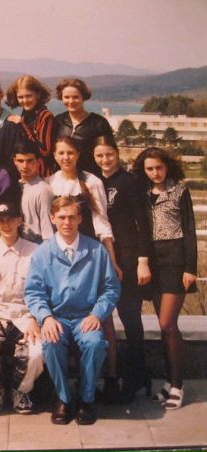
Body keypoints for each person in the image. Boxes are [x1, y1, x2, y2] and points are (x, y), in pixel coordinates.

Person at [24, 196, 121, 425]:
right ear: (52, 218)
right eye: (61, 217)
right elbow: (33, 292)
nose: (66, 222)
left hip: (85, 317)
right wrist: (46, 317)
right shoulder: (42, 253)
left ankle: (86, 399)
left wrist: (97, 314)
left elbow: (111, 288)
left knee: (95, 343)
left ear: (80, 219)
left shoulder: (96, 250)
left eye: (71, 217)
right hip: (56, 317)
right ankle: (64, 398)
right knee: (51, 343)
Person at [49, 135, 122, 402]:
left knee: (103, 317)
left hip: (91, 252)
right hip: (62, 252)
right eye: (61, 153)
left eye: (70, 152)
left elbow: (102, 222)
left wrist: (111, 258)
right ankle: (65, 386)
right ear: (55, 156)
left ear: (78, 154)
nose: (65, 157)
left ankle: (110, 377)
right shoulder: (50, 182)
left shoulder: (92, 181)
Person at [131, 147, 197, 410]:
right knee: (164, 327)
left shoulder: (179, 191)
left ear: (167, 166)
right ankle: (169, 382)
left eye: (159, 167)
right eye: (149, 169)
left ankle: (178, 385)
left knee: (167, 323)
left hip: (175, 260)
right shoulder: (143, 193)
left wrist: (190, 267)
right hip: (152, 261)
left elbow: (190, 230)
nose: (155, 173)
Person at [93, 136, 152, 403]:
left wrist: (142, 260)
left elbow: (143, 223)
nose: (105, 160)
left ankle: (138, 375)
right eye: (99, 155)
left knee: (130, 317)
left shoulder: (129, 182)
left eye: (109, 154)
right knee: (104, 318)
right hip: (103, 256)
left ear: (117, 154)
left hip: (128, 256)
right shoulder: (94, 181)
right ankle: (110, 377)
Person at [0, 201, 43, 414]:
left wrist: (35, 319)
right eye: (1, 221)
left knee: (37, 352)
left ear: (20, 220)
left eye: (11, 219)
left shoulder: (35, 251)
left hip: (25, 313)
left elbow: (41, 291)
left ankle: (21, 391)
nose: (6, 225)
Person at [55, 78, 115, 176]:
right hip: (62, 178)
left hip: (90, 178)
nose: (71, 101)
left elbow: (109, 153)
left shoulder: (98, 123)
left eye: (76, 97)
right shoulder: (58, 121)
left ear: (83, 97)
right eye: (66, 97)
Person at [5, 75, 56, 177]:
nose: (25, 100)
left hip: (42, 175)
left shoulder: (45, 116)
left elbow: (44, 151)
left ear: (38, 95)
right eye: (20, 97)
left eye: (28, 96)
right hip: (26, 172)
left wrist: (22, 125)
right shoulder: (25, 115)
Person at [12, 144, 54, 244]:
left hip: (36, 245)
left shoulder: (43, 190)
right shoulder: (13, 187)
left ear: (38, 162)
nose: (25, 166)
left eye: (30, 161)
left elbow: (48, 231)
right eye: (20, 161)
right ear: (14, 161)